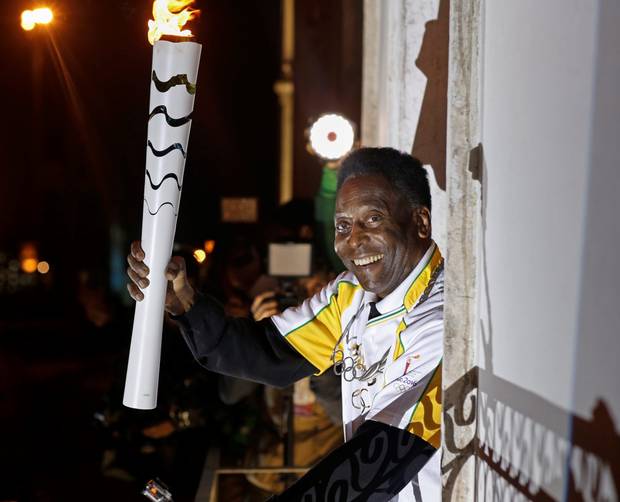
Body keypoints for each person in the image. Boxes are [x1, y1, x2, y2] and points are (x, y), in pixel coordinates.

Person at [127, 147, 444, 501]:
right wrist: (185, 301)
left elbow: (382, 457)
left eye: (372, 219)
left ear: (420, 222)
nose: (353, 240)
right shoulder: (349, 293)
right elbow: (269, 353)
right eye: (343, 225)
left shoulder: (440, 319)